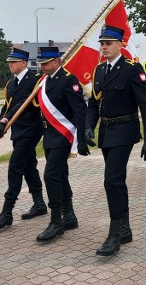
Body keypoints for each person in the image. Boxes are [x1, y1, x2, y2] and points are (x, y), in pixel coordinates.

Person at [86, 25, 146, 256]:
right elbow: (94, 103)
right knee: (117, 181)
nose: (104, 47)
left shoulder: (131, 69)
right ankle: (125, 228)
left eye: (109, 43)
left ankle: (114, 233)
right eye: (102, 43)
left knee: (111, 180)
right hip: (107, 133)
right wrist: (88, 126)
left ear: (120, 45)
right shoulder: (99, 71)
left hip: (125, 130)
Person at [0, 48, 46, 230]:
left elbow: (23, 104)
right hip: (18, 129)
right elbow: (7, 106)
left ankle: (7, 212)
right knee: (28, 166)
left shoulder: (35, 80)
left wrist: (5, 120)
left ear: (24, 63)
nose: (10, 64)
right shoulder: (11, 84)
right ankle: (39, 203)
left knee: (15, 166)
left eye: (13, 62)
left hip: (32, 128)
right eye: (9, 62)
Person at [35, 47, 89, 242]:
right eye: (41, 63)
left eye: (46, 63)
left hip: (63, 136)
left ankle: (56, 221)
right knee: (60, 175)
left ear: (56, 62)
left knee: (50, 176)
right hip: (49, 136)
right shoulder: (44, 82)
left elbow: (80, 110)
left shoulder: (68, 80)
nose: (42, 67)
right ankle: (70, 216)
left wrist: (81, 138)